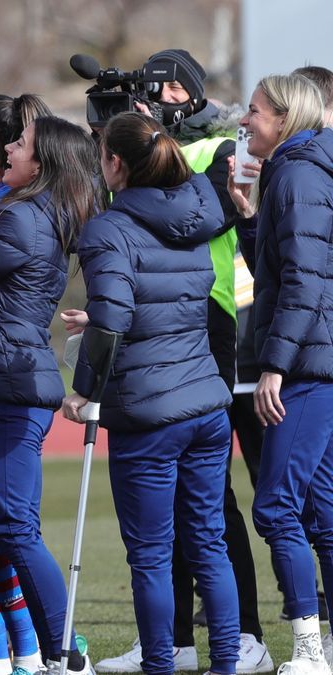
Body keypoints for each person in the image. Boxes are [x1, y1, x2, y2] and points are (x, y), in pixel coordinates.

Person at [93, 48, 272, 675]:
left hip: (209, 325)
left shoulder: (219, 149)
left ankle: (244, 636)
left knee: (208, 510)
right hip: (181, 330)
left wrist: (146, 136)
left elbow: (215, 184)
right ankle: (175, 643)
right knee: (182, 515)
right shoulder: (178, 168)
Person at [61, 111, 238, 675]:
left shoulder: (109, 228)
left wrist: (84, 391)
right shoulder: (196, 213)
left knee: (152, 557)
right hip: (204, 400)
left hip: (149, 411)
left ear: (115, 163)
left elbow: (113, 321)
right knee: (209, 545)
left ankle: (161, 664)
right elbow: (148, 303)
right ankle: (227, 663)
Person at [0, 115, 100, 675]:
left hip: (10, 386)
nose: (9, 148)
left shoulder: (20, 220)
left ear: (40, 164)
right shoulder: (24, 212)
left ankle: (66, 654)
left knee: (14, 523)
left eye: (21, 144)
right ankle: (30, 648)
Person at [229, 74, 333, 675]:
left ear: (285, 118)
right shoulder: (296, 173)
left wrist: (273, 366)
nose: (246, 121)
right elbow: (284, 268)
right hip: (315, 359)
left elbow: (303, 282)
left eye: (255, 110)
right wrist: (250, 221)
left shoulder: (296, 174)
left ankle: (308, 649)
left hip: (307, 367)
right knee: (321, 510)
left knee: (274, 508)